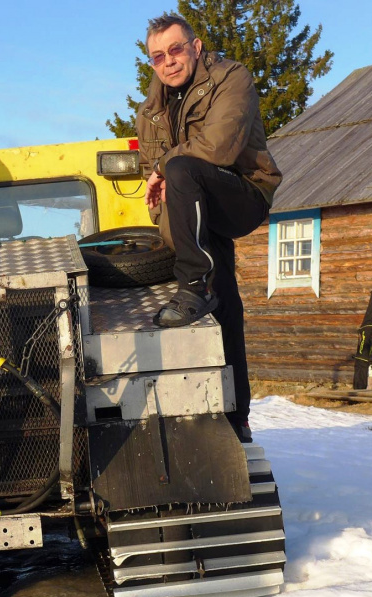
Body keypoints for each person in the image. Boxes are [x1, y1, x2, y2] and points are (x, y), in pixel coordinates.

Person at [135, 13, 282, 442]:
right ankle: (237, 418)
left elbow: (218, 147)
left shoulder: (231, 78)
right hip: (195, 209)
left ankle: (194, 284)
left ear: (196, 48)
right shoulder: (150, 112)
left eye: (176, 50)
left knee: (181, 167)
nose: (169, 62)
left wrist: (164, 168)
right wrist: (171, 225)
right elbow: (155, 189)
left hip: (243, 193)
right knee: (227, 305)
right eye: (158, 56)